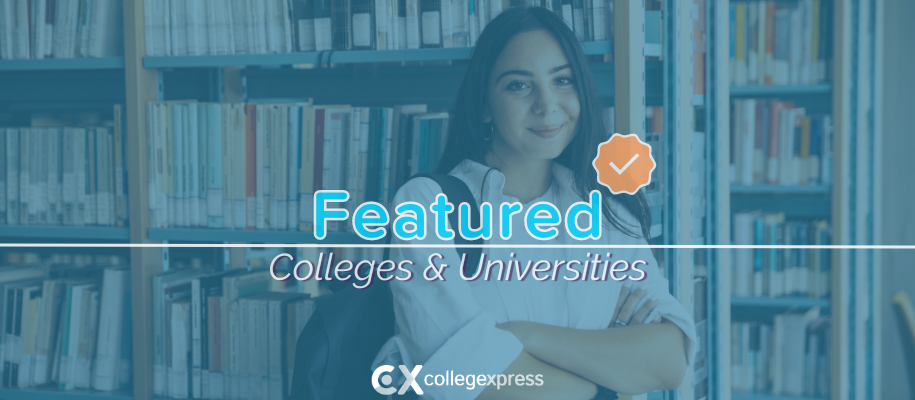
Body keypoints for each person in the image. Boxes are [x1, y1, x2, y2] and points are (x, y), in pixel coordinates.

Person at [372, 7, 696, 400]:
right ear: (484, 106)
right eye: (518, 86)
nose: (547, 105)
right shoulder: (426, 205)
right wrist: (606, 382)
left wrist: (523, 337)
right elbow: (463, 378)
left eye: (562, 80)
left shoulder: (607, 210)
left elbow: (669, 359)